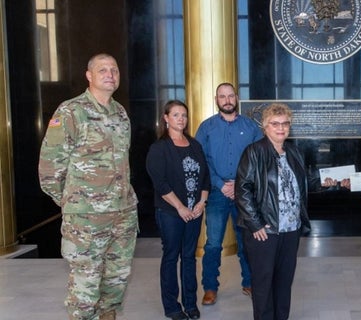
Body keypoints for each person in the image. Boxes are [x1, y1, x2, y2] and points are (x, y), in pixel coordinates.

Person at [38, 53, 138, 320]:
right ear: (89, 75)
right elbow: (50, 168)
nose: (110, 74)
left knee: (116, 282)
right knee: (86, 288)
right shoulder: (71, 111)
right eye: (102, 69)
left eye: (114, 70)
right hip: (85, 220)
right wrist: (74, 203)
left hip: (123, 213)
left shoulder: (120, 113)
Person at [235, 103, 311, 320]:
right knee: (263, 285)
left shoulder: (294, 152)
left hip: (290, 229)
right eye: (275, 124)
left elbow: (303, 182)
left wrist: (332, 181)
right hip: (265, 231)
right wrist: (255, 223)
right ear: (265, 126)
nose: (281, 128)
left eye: (285, 123)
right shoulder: (254, 151)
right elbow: (243, 189)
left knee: (284, 283)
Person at [194, 82, 263, 305]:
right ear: (216, 100)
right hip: (216, 193)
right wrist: (219, 183)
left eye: (230, 96)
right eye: (222, 96)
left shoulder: (251, 127)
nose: (227, 100)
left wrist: (238, 184)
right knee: (213, 243)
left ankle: (249, 282)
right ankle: (210, 288)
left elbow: (257, 160)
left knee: (246, 242)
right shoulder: (206, 128)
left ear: (237, 98)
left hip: (244, 193)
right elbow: (200, 161)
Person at [146, 100, 210, 320]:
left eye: (184, 115)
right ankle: (172, 307)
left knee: (190, 257)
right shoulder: (159, 148)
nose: (181, 119)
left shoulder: (194, 145)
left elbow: (205, 177)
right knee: (172, 257)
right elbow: (160, 184)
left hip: (194, 213)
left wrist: (202, 202)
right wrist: (181, 207)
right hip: (171, 213)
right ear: (166, 118)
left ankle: (190, 304)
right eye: (175, 115)